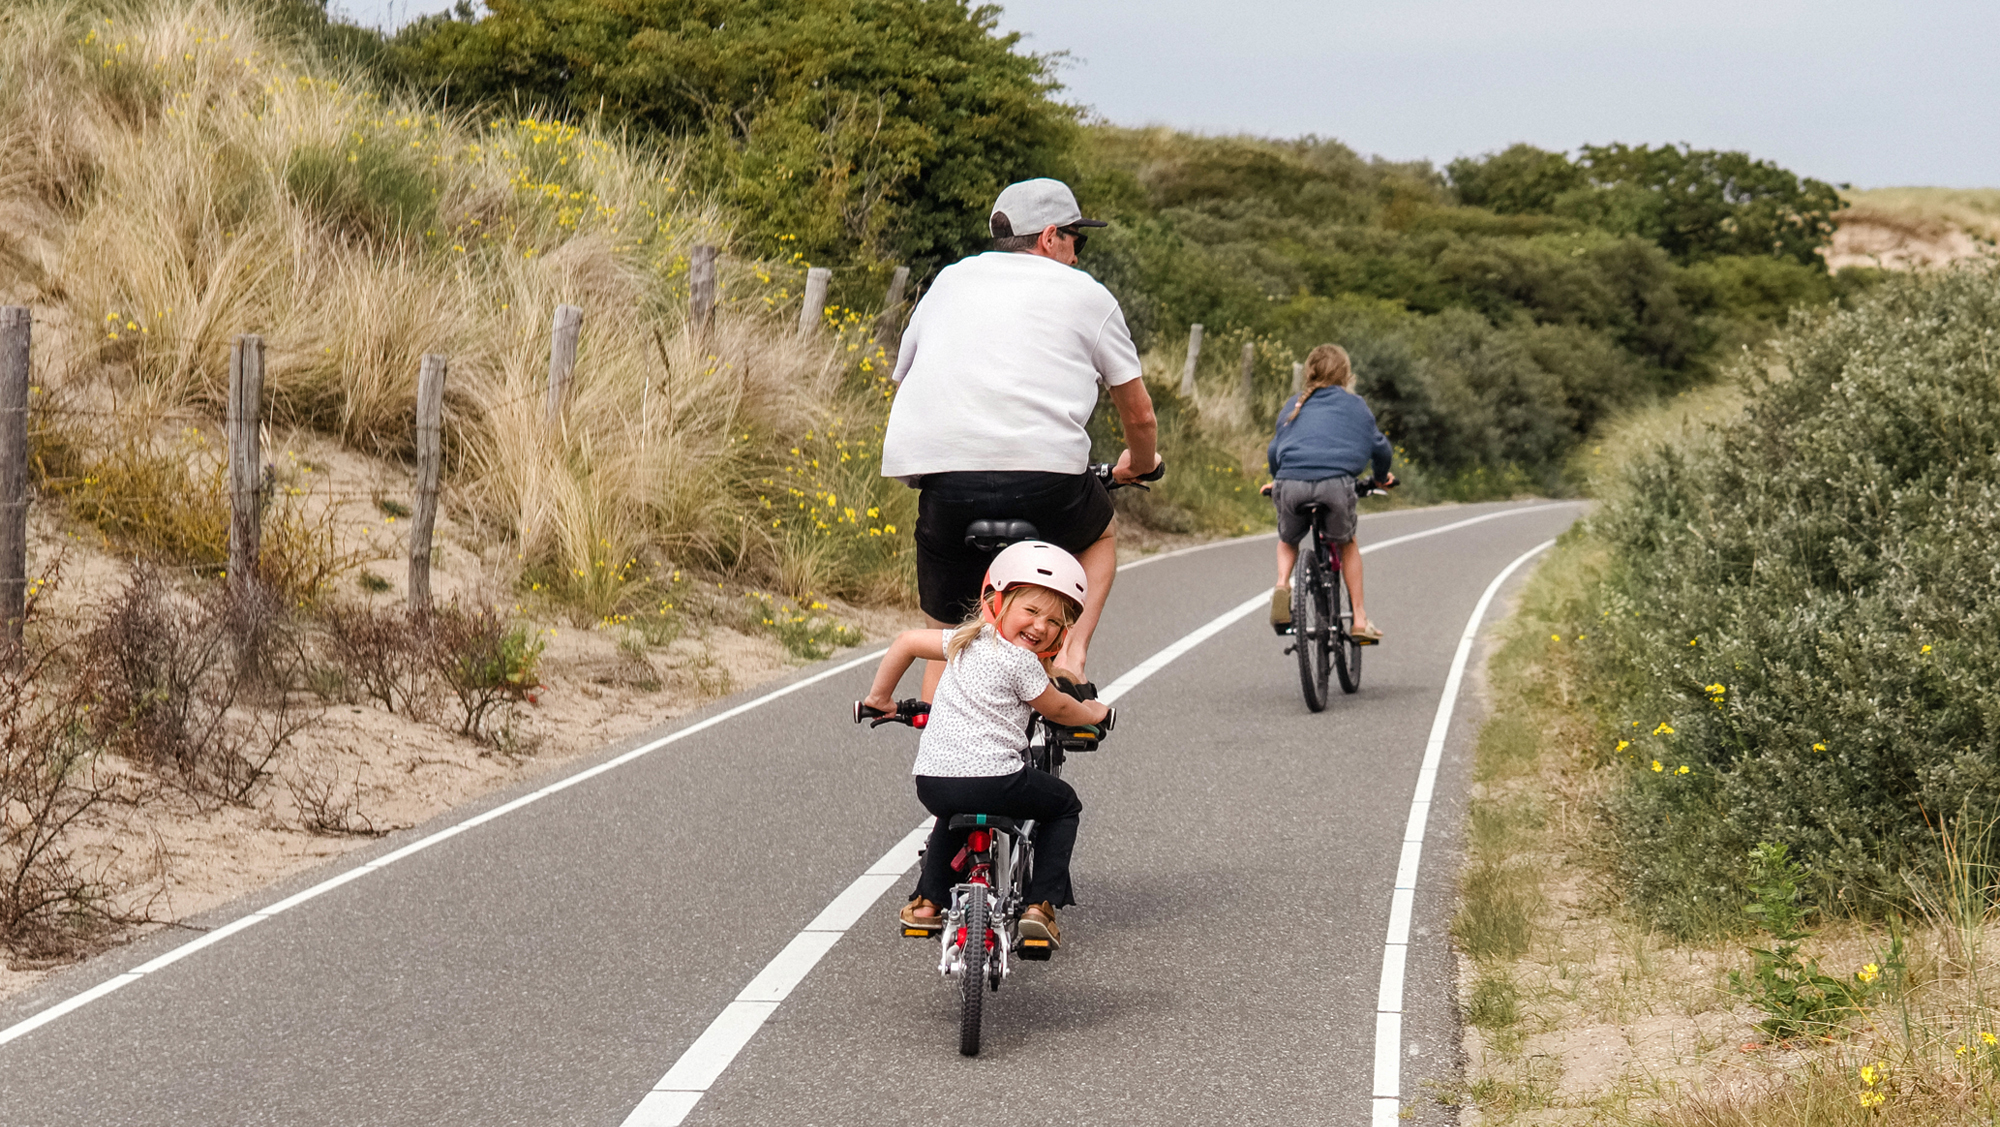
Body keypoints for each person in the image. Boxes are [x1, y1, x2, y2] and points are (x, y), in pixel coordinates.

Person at [881, 177, 1159, 694]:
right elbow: (1139, 417)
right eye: (1077, 239)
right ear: (1051, 236)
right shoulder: (1086, 294)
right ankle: (1072, 658)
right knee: (1099, 535)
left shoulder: (948, 281)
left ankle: (936, 745)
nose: (1078, 255)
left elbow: (901, 380)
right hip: (1047, 482)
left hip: (947, 483)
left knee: (946, 642)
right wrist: (1140, 464)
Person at [858, 541, 1112, 949]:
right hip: (997, 779)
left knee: (954, 810)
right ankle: (1039, 907)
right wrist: (1094, 713)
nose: (1041, 626)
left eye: (1054, 621)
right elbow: (1059, 708)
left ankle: (927, 903)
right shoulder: (1024, 663)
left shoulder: (961, 640)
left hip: (933, 780)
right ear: (998, 603)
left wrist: (880, 699)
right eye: (1031, 611)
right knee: (1065, 806)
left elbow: (905, 641)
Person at [1261, 344, 1394, 641]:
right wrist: (1382, 477)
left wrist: (1276, 480)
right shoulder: (1356, 405)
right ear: (1346, 375)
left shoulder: (1294, 404)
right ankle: (1359, 620)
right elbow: (1381, 447)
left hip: (1290, 482)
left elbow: (1274, 449)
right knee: (1347, 544)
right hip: (1335, 485)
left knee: (1288, 540)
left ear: (1309, 374)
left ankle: (1283, 584)